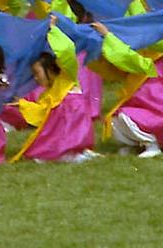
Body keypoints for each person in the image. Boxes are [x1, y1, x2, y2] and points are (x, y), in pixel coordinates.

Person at [7, 16, 98, 164]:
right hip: (66, 134)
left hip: (74, 131)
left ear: (49, 69)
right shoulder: (50, 91)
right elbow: (43, 112)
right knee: (38, 153)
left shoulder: (67, 77)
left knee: (42, 153)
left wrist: (53, 30)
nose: (36, 78)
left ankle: (74, 151)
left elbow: (66, 51)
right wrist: (22, 104)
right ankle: (73, 152)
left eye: (38, 73)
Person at [91, 21, 163, 158]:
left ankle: (152, 144)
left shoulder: (143, 64)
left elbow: (124, 56)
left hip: (160, 122)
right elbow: (110, 69)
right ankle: (133, 144)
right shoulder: (134, 70)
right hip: (148, 117)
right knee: (115, 117)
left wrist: (107, 35)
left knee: (124, 115)